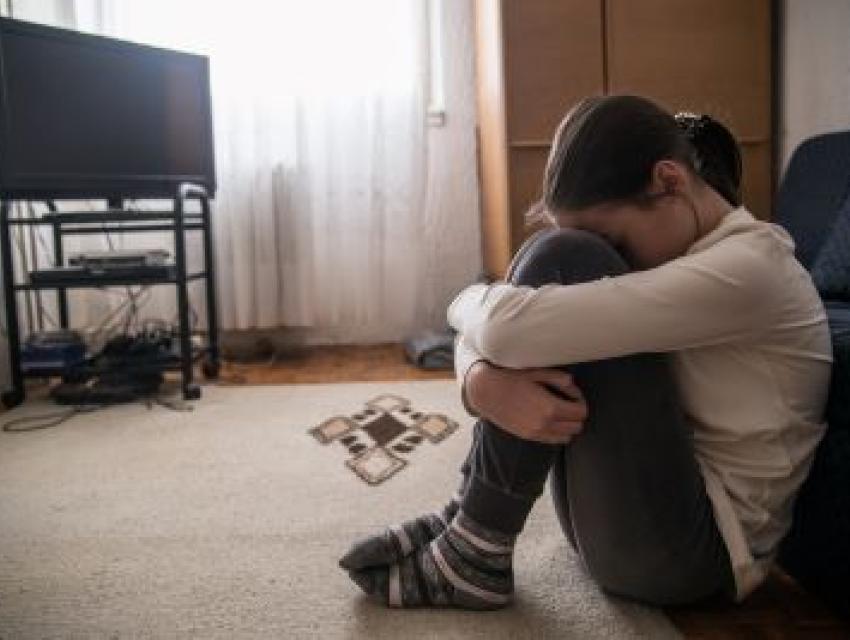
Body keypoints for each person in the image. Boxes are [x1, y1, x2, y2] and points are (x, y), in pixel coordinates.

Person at [338, 95, 832, 609]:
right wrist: (480, 380)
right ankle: (470, 524)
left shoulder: (749, 272)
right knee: (548, 260)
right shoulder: (698, 256)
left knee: (566, 258)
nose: (614, 260)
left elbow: (506, 329)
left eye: (615, 239)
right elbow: (507, 327)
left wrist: (475, 362)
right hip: (629, 524)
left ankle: (474, 542)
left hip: (693, 559)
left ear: (670, 182)